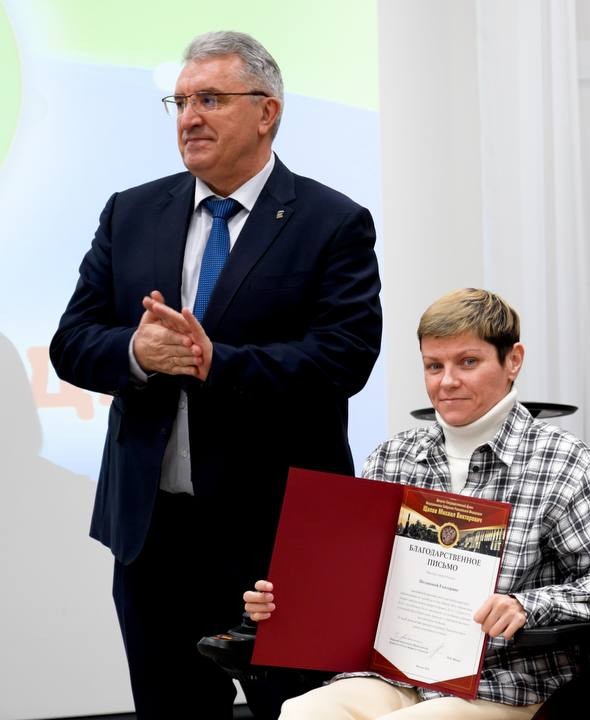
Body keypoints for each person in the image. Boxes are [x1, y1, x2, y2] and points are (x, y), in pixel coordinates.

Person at [48, 31, 382, 719]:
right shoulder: (131, 212)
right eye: (180, 102)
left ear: (267, 111)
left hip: (277, 537)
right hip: (154, 536)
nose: (189, 118)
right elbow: (71, 343)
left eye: (210, 100)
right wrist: (137, 352)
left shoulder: (332, 222)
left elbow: (344, 357)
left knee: (298, 711)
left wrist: (216, 361)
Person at [243, 288, 590, 719]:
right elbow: (350, 586)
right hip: (393, 675)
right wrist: (286, 605)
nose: (447, 381)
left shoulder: (564, 461)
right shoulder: (392, 457)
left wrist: (526, 605)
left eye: (467, 362)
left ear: (513, 360)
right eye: (434, 366)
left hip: (503, 683)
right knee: (301, 712)